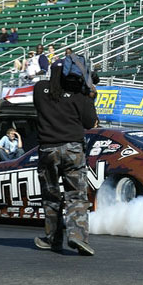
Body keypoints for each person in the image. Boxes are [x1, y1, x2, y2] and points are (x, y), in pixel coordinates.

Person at [33, 58, 98, 256]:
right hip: (73, 150)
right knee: (76, 195)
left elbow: (45, 103)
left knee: (51, 196)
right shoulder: (80, 95)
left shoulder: (40, 89)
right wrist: (90, 96)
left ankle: (53, 239)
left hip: (47, 150)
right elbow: (90, 123)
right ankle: (77, 235)